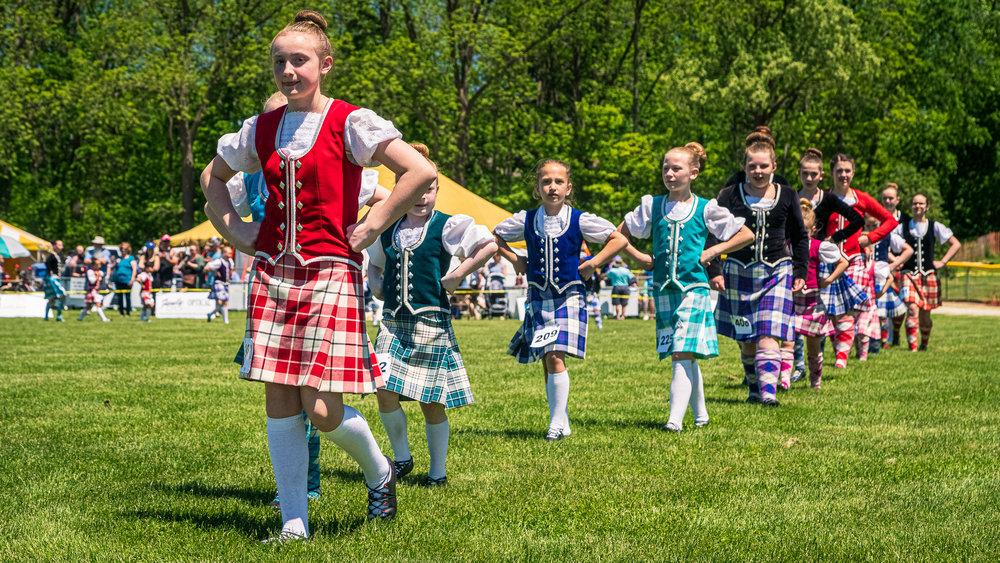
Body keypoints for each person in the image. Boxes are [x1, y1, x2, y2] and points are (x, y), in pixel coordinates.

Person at [200, 10, 436, 538]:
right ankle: (293, 523)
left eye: (299, 60)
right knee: (279, 396)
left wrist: (373, 224)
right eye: (279, 61)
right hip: (272, 276)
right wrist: (236, 230)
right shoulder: (259, 128)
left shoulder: (349, 121)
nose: (288, 71)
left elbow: (419, 171)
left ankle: (378, 473)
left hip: (330, 271)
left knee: (324, 408)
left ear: (324, 65)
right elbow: (211, 176)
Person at [367, 142, 498, 486]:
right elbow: (375, 266)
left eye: (431, 188)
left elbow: (488, 245)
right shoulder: (388, 228)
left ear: (437, 189)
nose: (423, 196)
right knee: (382, 388)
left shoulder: (448, 225)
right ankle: (401, 457)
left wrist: (458, 274)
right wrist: (375, 282)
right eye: (416, 189)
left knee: (431, 402)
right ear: (401, 189)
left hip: (431, 326)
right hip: (393, 324)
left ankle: (437, 473)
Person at [619, 142, 753, 431]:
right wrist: (639, 256)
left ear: (693, 173)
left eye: (676, 168)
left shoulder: (706, 208)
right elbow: (619, 235)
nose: (669, 173)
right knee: (685, 353)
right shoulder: (651, 206)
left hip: (694, 288)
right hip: (664, 290)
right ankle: (701, 415)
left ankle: (674, 421)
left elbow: (745, 234)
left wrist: (714, 252)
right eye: (666, 167)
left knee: (681, 350)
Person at [494, 159, 627, 441]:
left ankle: (555, 425)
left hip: (569, 296)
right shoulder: (527, 219)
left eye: (558, 182)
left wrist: (593, 263)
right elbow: (494, 235)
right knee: (547, 358)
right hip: (539, 297)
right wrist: (515, 259)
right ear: (537, 189)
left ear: (568, 187)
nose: (552, 187)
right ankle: (561, 419)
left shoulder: (580, 219)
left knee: (555, 356)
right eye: (545, 182)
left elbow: (617, 240)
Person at [710, 128, 808, 407]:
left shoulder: (788, 194)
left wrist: (800, 272)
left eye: (764, 166)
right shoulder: (729, 194)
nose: (758, 171)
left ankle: (768, 394)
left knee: (768, 332)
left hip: (776, 272)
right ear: (744, 167)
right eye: (752, 166)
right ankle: (754, 388)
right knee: (746, 337)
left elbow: (800, 236)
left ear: (774, 167)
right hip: (738, 271)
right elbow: (713, 233)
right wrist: (715, 269)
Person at [824, 154, 898, 368]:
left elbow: (890, 220)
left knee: (849, 309)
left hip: (854, 258)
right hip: (828, 259)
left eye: (847, 170)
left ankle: (841, 358)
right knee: (830, 312)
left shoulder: (861, 198)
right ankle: (842, 348)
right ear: (832, 173)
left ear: (853, 173)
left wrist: (869, 238)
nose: (843, 175)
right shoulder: (825, 197)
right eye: (839, 170)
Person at [893, 194, 961, 351]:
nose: (917, 206)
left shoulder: (935, 226)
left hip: (928, 274)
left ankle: (924, 344)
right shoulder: (901, 227)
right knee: (912, 308)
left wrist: (943, 261)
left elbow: (955, 244)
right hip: (908, 273)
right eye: (915, 203)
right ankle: (912, 348)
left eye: (921, 203)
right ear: (911, 206)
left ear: (927, 207)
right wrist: (897, 260)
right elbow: (889, 243)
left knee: (925, 316)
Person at [793, 199, 848, 389]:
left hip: (812, 303)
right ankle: (783, 382)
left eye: (805, 230)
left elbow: (843, 262)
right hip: (791, 302)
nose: (800, 234)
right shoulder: (786, 245)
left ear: (813, 229)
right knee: (786, 344)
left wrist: (828, 280)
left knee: (814, 348)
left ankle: (815, 383)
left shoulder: (818, 246)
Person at [205, 245, 235, 324]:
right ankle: (226, 321)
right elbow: (207, 267)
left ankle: (210, 314)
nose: (230, 255)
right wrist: (214, 271)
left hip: (226, 283)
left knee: (225, 302)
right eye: (228, 253)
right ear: (223, 253)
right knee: (221, 300)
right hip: (219, 283)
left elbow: (231, 269)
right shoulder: (219, 261)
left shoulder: (230, 261)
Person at [111, 242, 137, 316]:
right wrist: (115, 263)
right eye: (122, 249)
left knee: (127, 297)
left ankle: (128, 312)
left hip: (127, 279)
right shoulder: (118, 258)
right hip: (118, 280)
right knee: (119, 297)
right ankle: (121, 312)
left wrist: (132, 279)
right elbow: (111, 267)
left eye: (124, 249)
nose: (123, 250)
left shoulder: (131, 258)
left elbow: (134, 269)